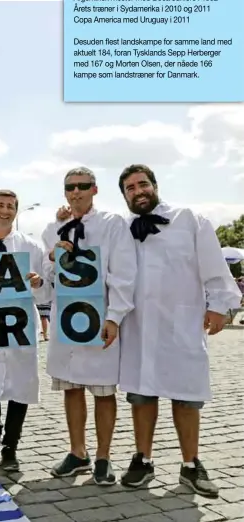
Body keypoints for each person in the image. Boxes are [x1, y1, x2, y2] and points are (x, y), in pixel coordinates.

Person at [115, 164, 242, 497]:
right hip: (139, 327)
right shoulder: (121, 229)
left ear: (154, 186)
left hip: (181, 324)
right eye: (129, 188)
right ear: (124, 195)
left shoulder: (189, 219)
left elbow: (214, 267)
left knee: (187, 397)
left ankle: (190, 464)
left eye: (142, 184)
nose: (137, 190)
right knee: (141, 396)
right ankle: (142, 459)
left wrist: (219, 306)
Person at [41, 167, 136, 486]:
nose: (76, 191)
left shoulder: (112, 223)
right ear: (64, 191)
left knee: (103, 389)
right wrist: (53, 255)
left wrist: (115, 316)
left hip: (98, 319)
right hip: (67, 320)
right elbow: (47, 271)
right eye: (70, 187)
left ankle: (103, 457)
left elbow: (123, 272)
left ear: (94, 189)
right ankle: (77, 452)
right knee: (71, 386)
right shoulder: (55, 226)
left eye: (83, 186)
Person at [0, 190, 50, 471]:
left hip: (20, 326)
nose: (5, 211)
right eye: (0, 205)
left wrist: (39, 283)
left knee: (21, 384)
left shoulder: (31, 246)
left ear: (16, 212)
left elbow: (46, 291)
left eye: (11, 207)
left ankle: (10, 446)